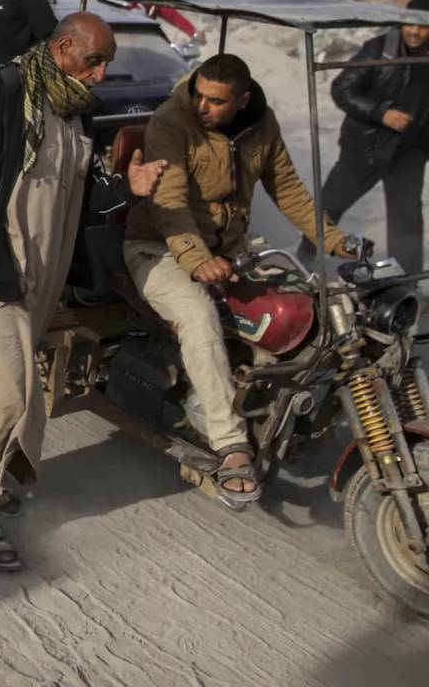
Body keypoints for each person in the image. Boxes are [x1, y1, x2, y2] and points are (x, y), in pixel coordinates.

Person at [0, 14, 162, 571]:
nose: (103, 73)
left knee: (21, 389)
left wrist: (123, 190)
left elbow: (80, 200)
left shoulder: (73, 111)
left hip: (43, 278)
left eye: (106, 63)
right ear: (63, 48)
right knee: (8, 394)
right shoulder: (3, 94)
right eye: (94, 61)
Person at [124, 54, 351, 507]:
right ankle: (231, 445)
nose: (203, 106)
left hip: (227, 251)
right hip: (159, 249)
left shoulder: (260, 125)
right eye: (199, 96)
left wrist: (335, 240)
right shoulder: (173, 121)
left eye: (216, 101)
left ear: (242, 100)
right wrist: (196, 259)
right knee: (199, 316)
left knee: (305, 302)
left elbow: (287, 188)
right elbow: (168, 204)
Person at [315, 0, 429, 271]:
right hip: (366, 148)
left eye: (423, 26)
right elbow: (342, 88)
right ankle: (304, 264)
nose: (414, 31)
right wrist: (381, 113)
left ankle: (404, 282)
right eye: (409, 24)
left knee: (407, 221)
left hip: (410, 152)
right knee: (330, 207)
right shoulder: (380, 50)